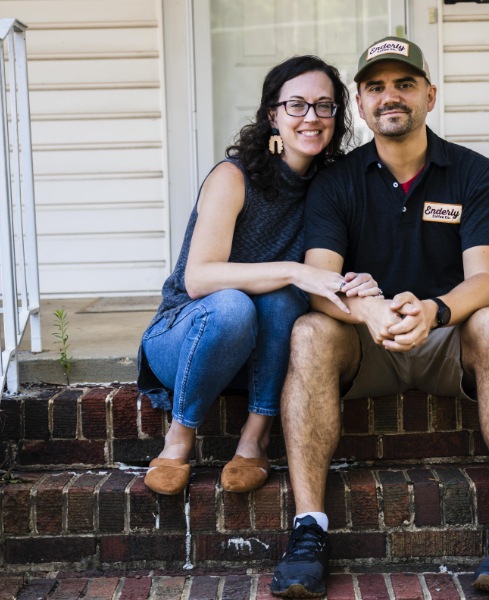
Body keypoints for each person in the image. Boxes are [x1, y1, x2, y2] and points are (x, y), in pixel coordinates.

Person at [269, 38, 489, 597]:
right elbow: (322, 280)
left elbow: (485, 280)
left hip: (445, 336)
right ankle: (308, 531)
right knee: (309, 329)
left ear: (429, 95)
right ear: (361, 102)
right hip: (366, 342)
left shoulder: (475, 173)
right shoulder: (336, 180)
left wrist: (435, 310)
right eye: (376, 87)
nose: (390, 96)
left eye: (404, 84)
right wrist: (368, 310)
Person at [136, 56, 382, 498]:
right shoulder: (234, 177)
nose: (311, 117)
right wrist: (294, 270)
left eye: (325, 106)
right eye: (297, 105)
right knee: (235, 303)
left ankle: (255, 439)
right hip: (190, 338)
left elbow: (326, 276)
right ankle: (178, 438)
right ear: (273, 114)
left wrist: (358, 281)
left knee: (286, 299)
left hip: (261, 355)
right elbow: (199, 280)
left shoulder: (331, 187)